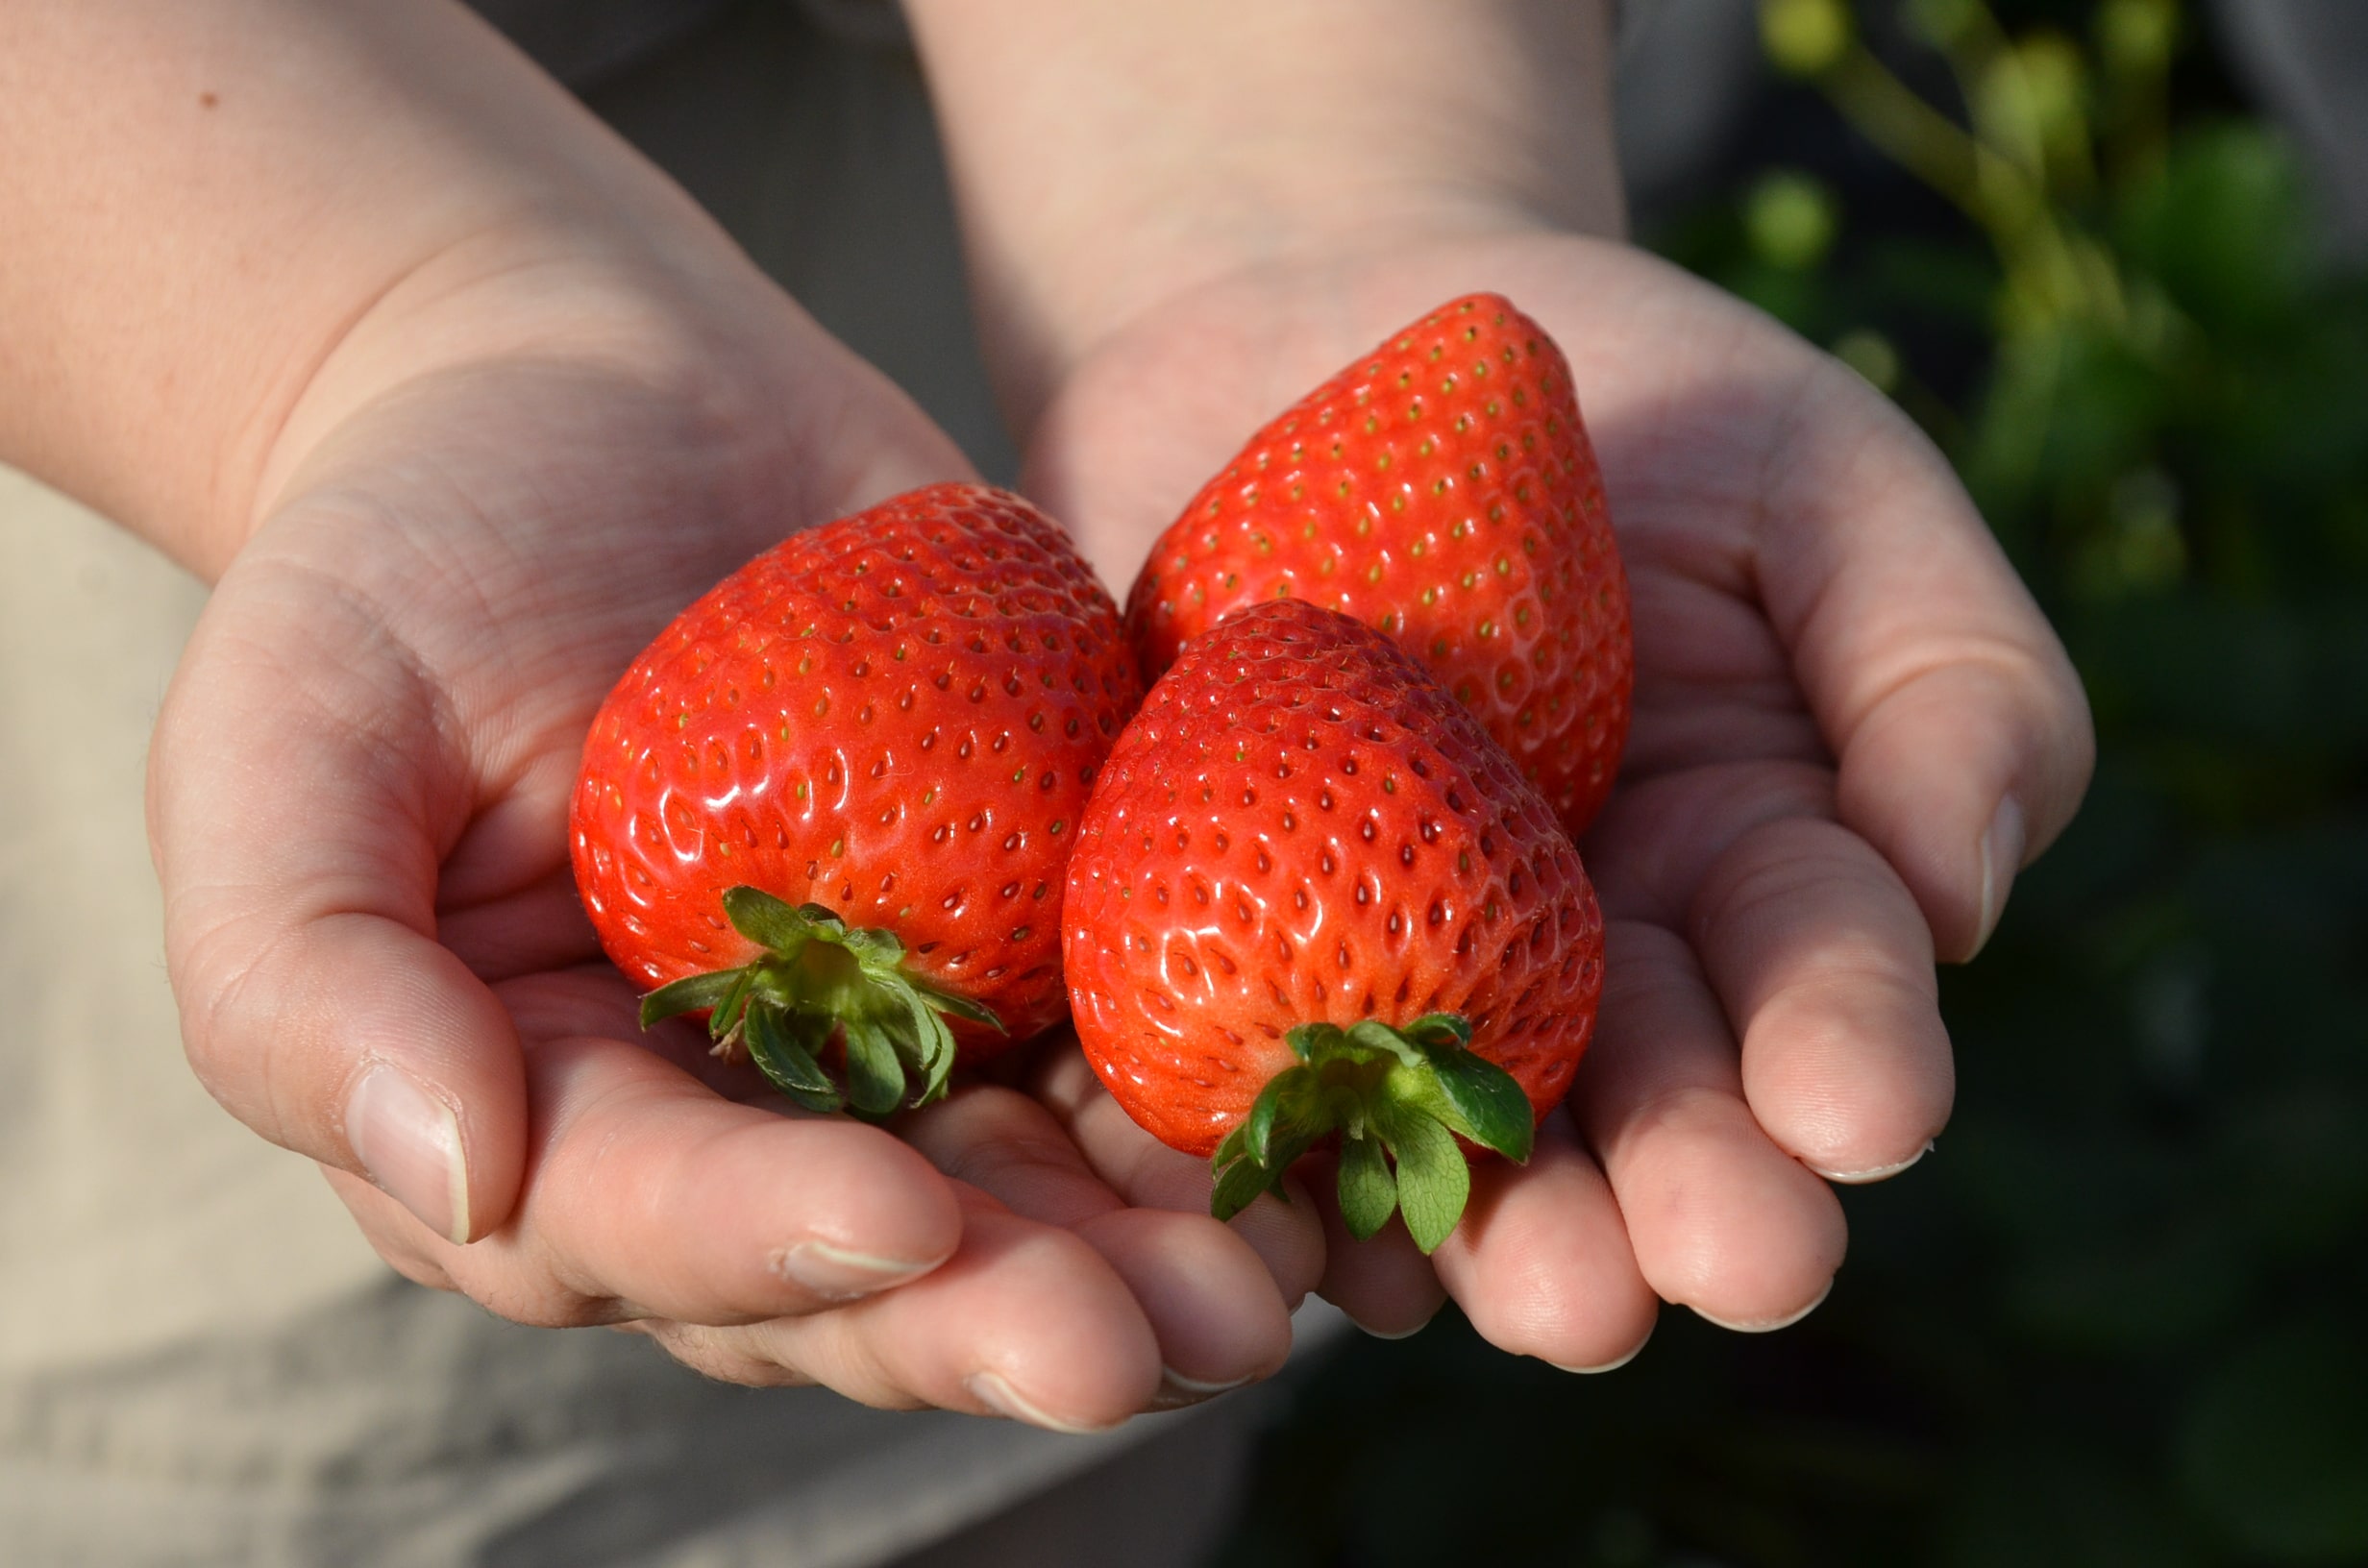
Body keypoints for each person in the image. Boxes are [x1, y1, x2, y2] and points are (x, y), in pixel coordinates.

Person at [0, 0, 2093, 1560]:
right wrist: (377, 327)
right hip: (141, 302)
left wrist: (1320, 168)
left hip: (1030, 220)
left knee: (1058, 1378)